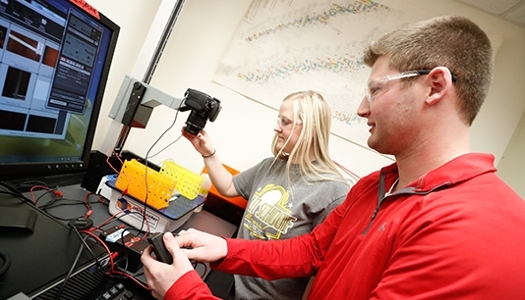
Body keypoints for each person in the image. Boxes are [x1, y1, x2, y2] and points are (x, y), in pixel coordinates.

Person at [141, 16, 525, 300]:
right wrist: (226, 248)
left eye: (375, 90)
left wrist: (184, 293)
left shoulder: (475, 230)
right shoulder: (374, 187)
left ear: (434, 86)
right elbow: (310, 250)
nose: (361, 108)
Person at [180, 90, 350, 299]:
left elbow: (320, 266)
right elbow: (229, 187)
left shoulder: (334, 191)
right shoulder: (271, 166)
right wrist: (208, 152)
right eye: (279, 119)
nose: (276, 127)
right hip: (230, 282)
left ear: (310, 130)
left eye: (285, 121)